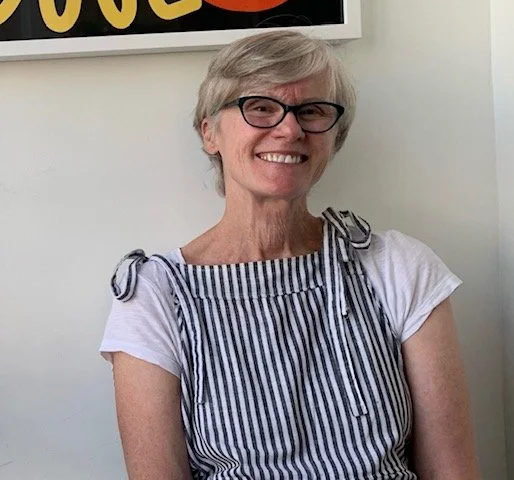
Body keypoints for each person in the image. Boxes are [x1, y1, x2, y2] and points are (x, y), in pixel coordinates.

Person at [100, 30, 481, 479]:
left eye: (312, 111)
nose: (290, 129)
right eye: (260, 107)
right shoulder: (155, 296)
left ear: (334, 138)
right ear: (210, 133)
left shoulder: (398, 267)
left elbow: (452, 472)